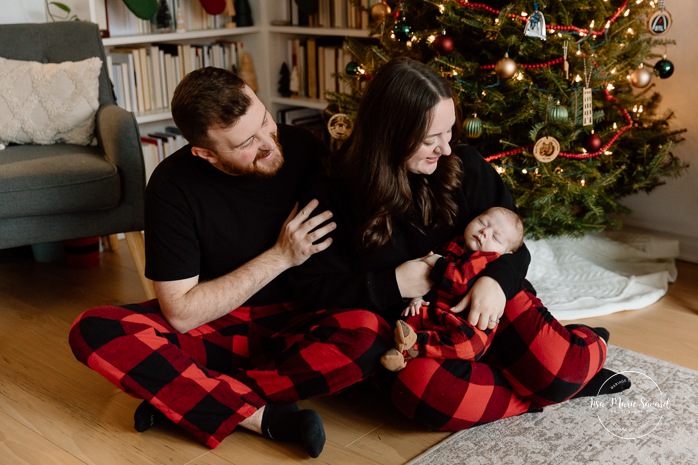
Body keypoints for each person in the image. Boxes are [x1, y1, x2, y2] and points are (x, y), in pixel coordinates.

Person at [293, 57, 630, 432]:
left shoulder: (465, 166)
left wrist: (496, 282)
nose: (446, 148)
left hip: (487, 306)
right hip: (419, 340)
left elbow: (516, 244)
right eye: (429, 139)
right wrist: (394, 284)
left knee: (560, 372)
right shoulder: (333, 193)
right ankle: (544, 391)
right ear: (388, 133)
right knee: (424, 394)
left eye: (449, 131)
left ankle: (580, 351)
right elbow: (312, 292)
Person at [68, 67, 391, 457]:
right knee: (94, 330)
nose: (267, 144)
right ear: (205, 153)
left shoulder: (303, 146)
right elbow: (182, 314)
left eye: (264, 121)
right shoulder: (172, 187)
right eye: (245, 144)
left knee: (368, 333)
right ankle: (263, 418)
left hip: (305, 317)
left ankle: (186, 397)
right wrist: (280, 256)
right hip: (221, 324)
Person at [380, 206, 525, 371]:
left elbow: (459, 283)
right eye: (482, 222)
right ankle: (402, 349)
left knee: (471, 345)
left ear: (505, 253)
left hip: (464, 324)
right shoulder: (454, 244)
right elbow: (423, 279)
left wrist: (436, 262)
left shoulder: (487, 259)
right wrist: (417, 299)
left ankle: (414, 347)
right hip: (435, 311)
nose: (485, 231)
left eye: (496, 237)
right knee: (411, 315)